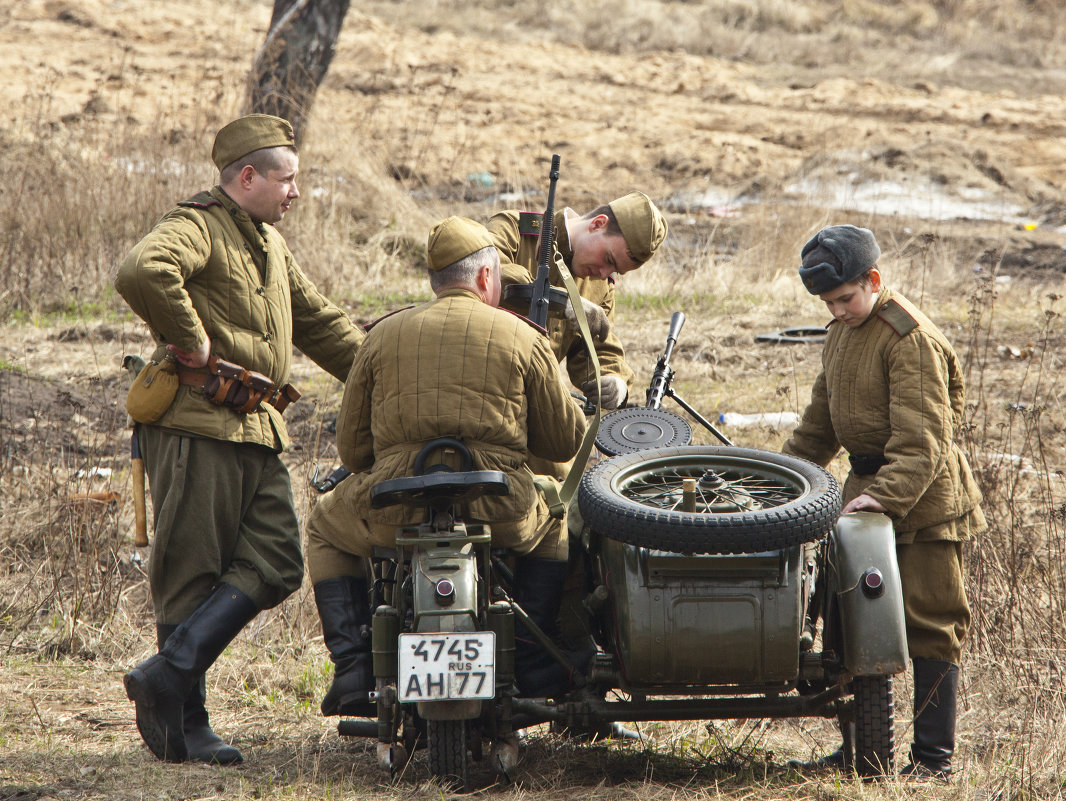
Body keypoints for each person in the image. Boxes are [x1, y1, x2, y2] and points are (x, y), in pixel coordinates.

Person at [114, 114, 365, 765]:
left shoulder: (269, 244)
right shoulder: (198, 225)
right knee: (191, 572)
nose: (297, 192)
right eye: (288, 178)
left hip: (257, 428)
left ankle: (164, 674)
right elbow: (144, 270)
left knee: (280, 556)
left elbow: (322, 324)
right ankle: (182, 726)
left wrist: (385, 368)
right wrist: (193, 341)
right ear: (247, 176)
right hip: (198, 422)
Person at [304, 216, 588, 712]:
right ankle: (533, 664)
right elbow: (565, 441)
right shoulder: (524, 337)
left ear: (436, 282)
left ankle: (352, 669)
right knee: (555, 524)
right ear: (484, 279)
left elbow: (352, 452)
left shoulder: (382, 335)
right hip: (498, 509)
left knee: (325, 526)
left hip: (397, 507)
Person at [782, 224, 985, 780]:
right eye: (828, 302)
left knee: (930, 625)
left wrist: (883, 500)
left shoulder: (908, 337)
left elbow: (924, 442)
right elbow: (819, 426)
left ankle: (931, 761)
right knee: (851, 623)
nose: (838, 309)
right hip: (864, 498)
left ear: (873, 280)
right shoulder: (843, 331)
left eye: (845, 298)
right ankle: (861, 752)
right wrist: (782, 479)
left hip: (923, 503)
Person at [486, 191, 668, 411]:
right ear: (598, 224)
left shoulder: (601, 286)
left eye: (614, 270)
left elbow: (595, 348)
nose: (603, 273)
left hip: (530, 405)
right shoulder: (514, 230)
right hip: (479, 383)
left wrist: (614, 379)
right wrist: (561, 301)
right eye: (608, 259)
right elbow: (486, 275)